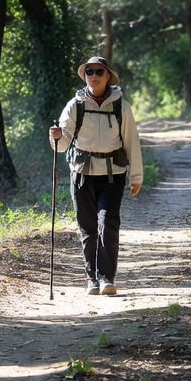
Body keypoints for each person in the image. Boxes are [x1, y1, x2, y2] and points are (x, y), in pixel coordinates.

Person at [49, 56, 143, 296]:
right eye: (89, 72)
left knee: (108, 224)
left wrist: (136, 177)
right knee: (88, 227)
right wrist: (56, 136)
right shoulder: (75, 105)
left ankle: (106, 278)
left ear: (107, 76)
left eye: (98, 72)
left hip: (113, 175)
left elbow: (132, 141)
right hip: (82, 175)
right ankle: (92, 278)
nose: (93, 76)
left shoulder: (120, 105)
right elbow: (61, 145)